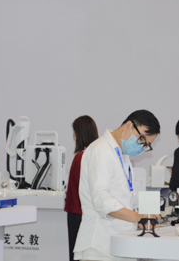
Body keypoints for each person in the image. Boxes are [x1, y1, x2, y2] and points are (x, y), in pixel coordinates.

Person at [74, 110, 160, 261]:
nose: (142, 146)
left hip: (117, 245)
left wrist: (141, 217)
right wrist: (137, 217)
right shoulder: (101, 150)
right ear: (128, 126)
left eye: (146, 145)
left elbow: (122, 198)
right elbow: (101, 199)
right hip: (100, 247)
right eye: (141, 139)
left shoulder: (121, 155)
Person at [65, 116, 99, 261]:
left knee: (76, 252)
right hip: (89, 213)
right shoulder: (96, 155)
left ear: (79, 133)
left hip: (77, 212)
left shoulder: (81, 157)